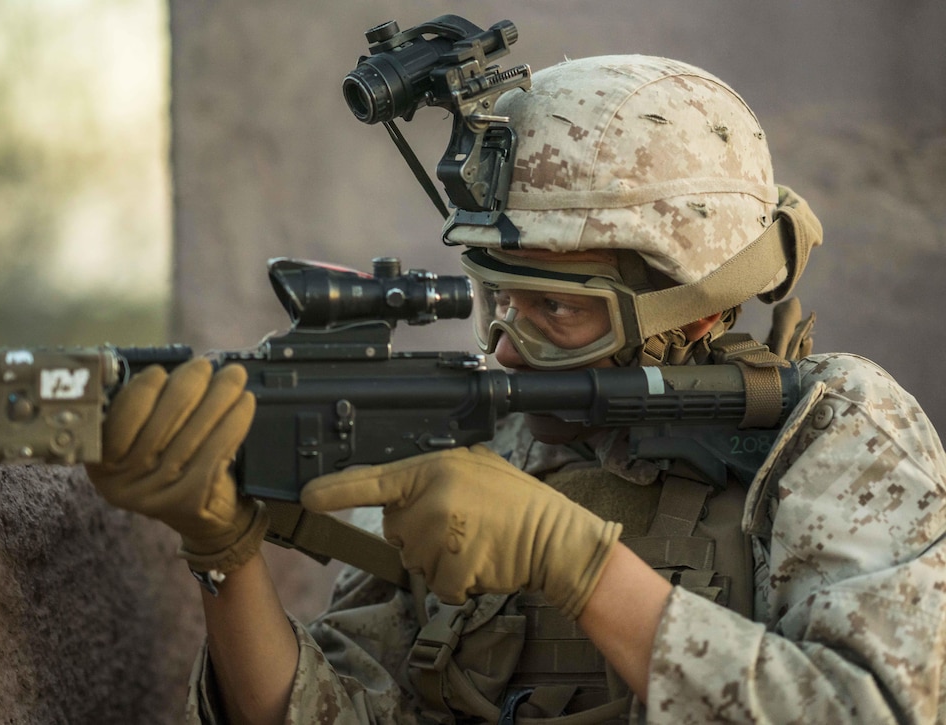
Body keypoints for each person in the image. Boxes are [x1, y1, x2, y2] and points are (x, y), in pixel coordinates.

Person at [86, 55, 946, 723]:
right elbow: (345, 707)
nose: (505, 345)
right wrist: (224, 556)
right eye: (496, 298)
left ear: (686, 310)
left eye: (557, 310)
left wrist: (581, 565)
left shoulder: (825, 433)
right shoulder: (487, 438)